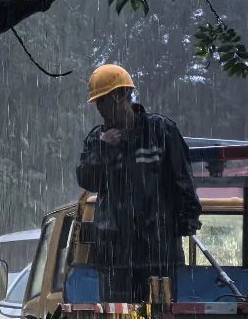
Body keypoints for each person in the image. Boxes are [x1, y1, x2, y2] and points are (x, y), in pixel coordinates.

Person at [75, 63, 202, 302]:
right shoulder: (96, 140)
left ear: (120, 95)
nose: (100, 109)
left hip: (159, 256)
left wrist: (187, 219)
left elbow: (183, 180)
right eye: (98, 103)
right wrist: (103, 148)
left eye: (103, 101)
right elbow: (87, 179)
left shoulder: (161, 131)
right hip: (116, 260)